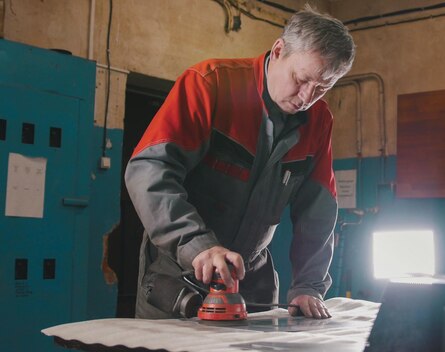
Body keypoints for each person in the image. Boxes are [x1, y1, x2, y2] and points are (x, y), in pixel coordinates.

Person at [125, 5, 355, 320]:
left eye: (322, 88)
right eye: (301, 80)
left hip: (252, 282)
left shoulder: (318, 121)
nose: (306, 97)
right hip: (177, 277)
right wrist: (198, 246)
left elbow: (318, 210)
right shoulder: (210, 85)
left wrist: (308, 285)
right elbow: (149, 172)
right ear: (278, 51)